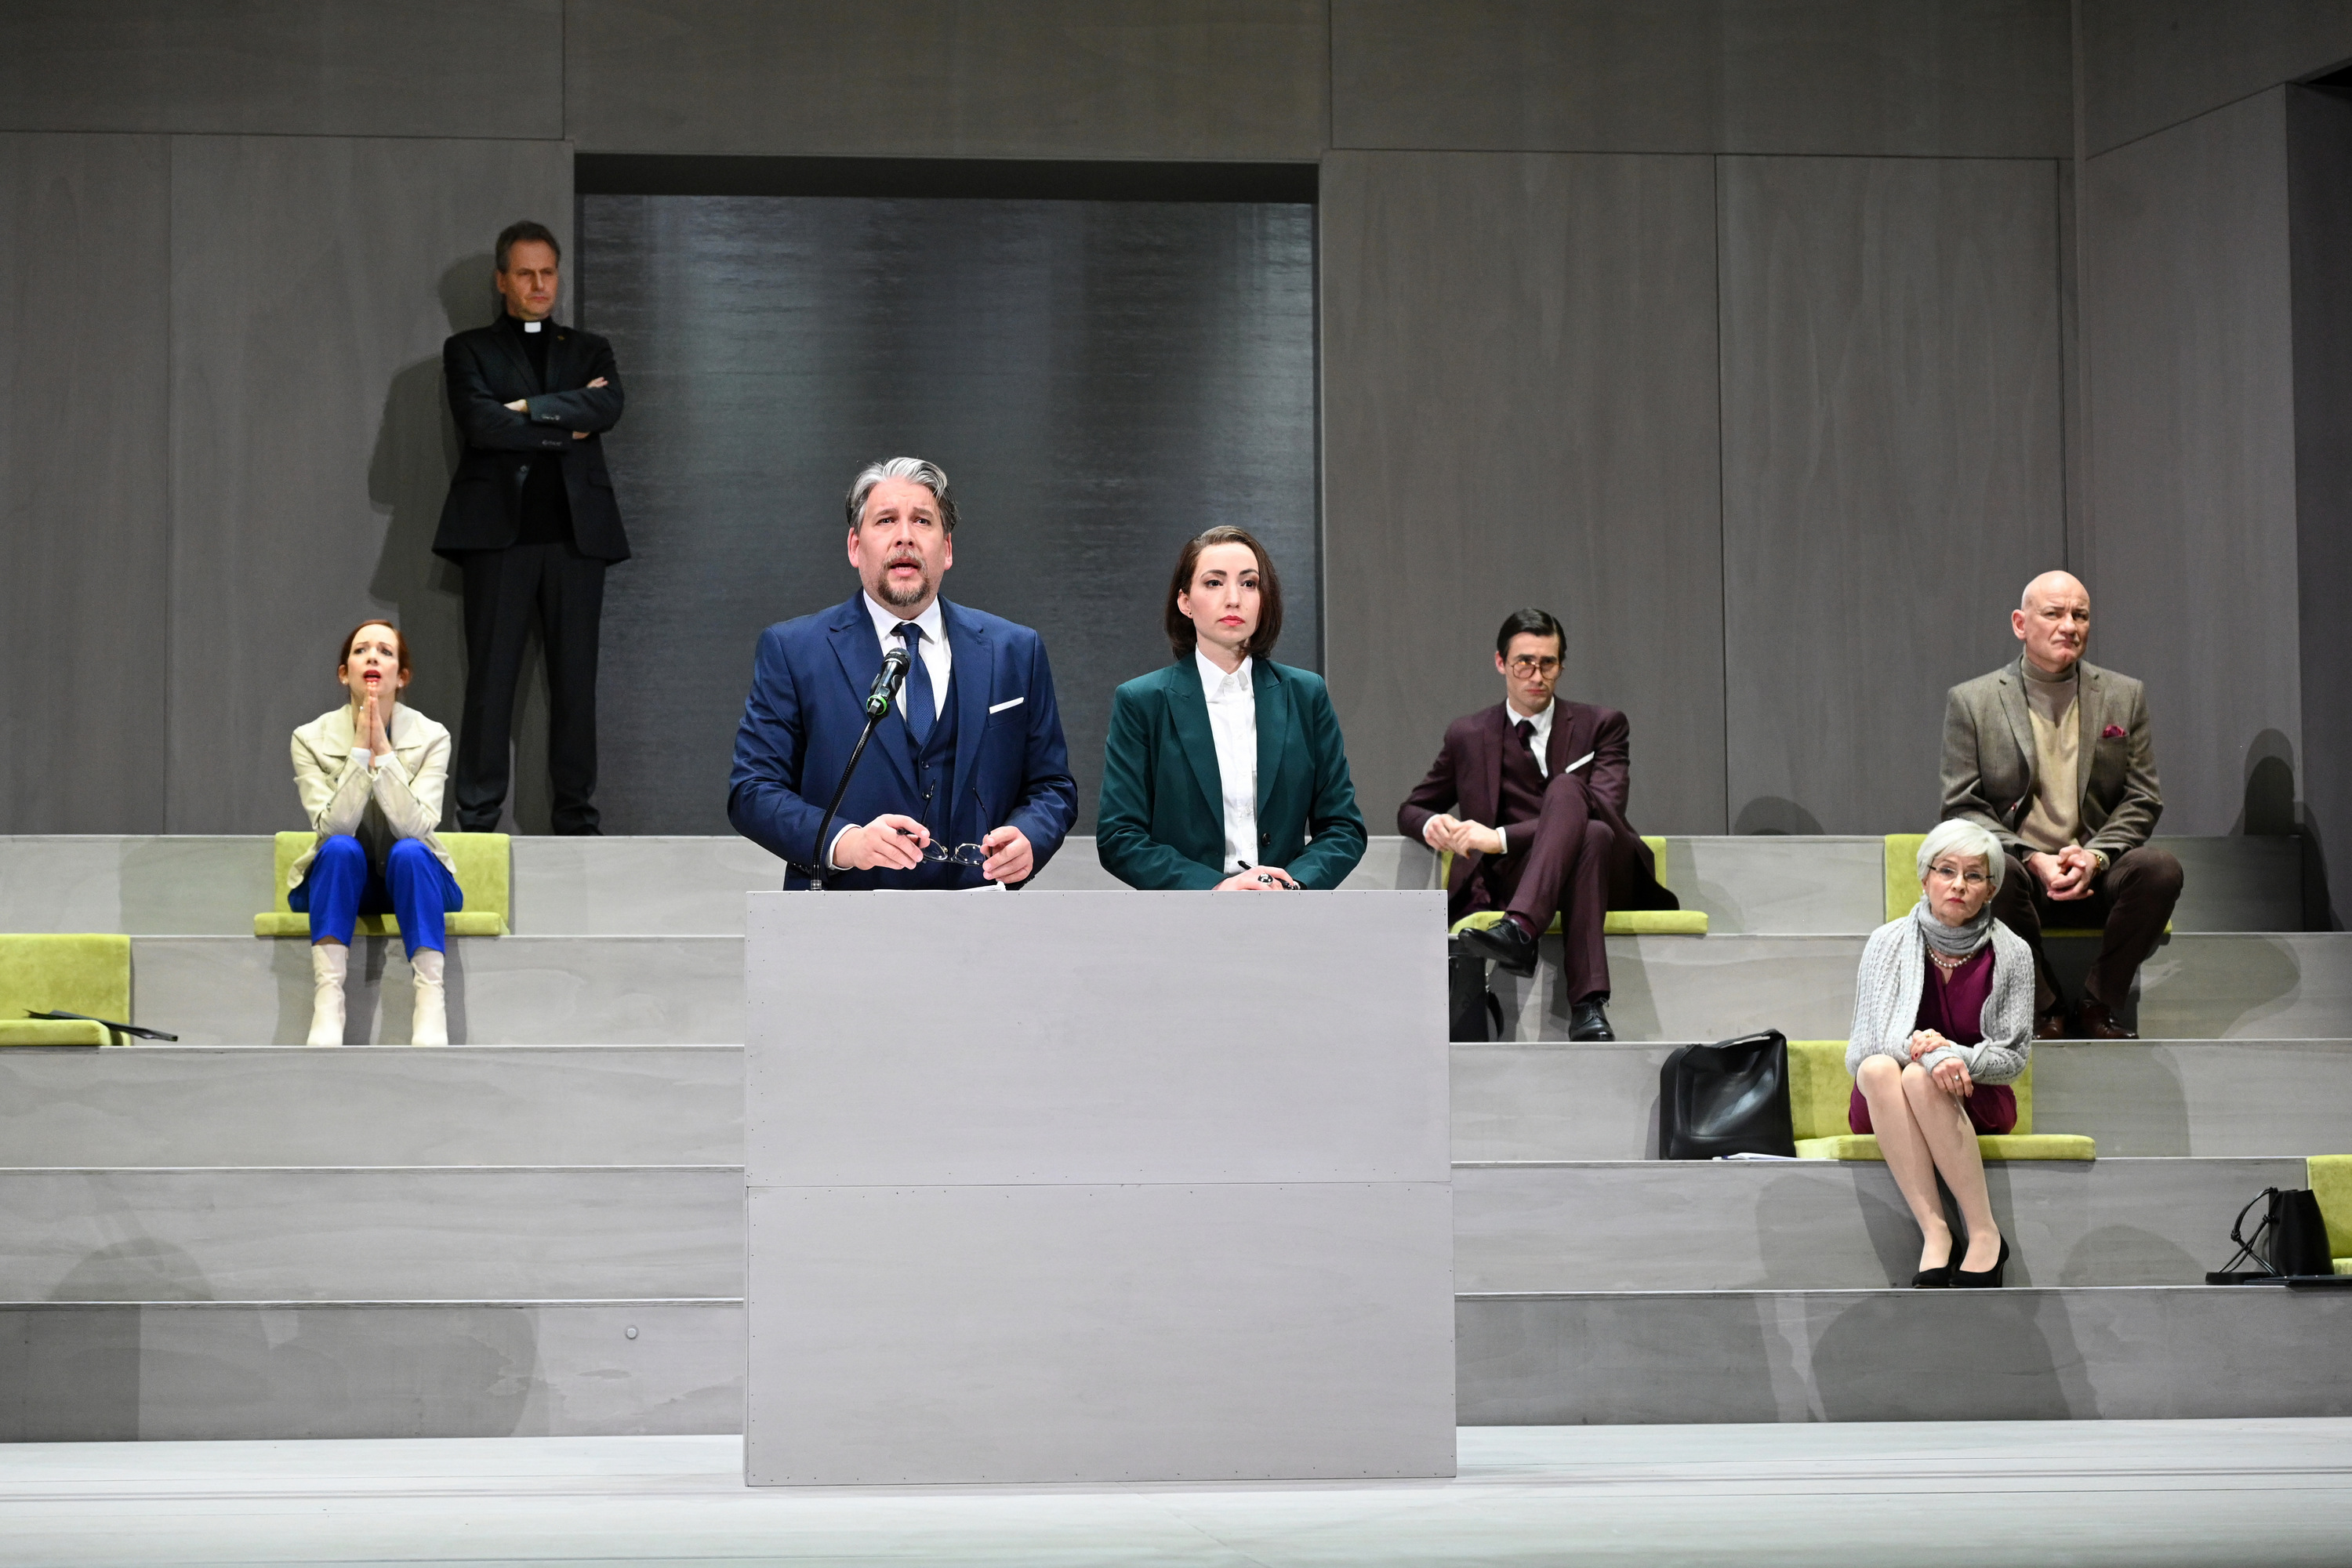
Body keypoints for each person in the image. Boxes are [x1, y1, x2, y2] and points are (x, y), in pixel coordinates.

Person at [728, 456, 1077, 888]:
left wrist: (1030, 837)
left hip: (980, 913)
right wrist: (845, 842)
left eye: (923, 521)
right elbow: (752, 790)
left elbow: (1052, 785)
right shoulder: (793, 651)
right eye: (886, 520)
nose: (905, 536)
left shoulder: (1016, 650)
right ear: (855, 546)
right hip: (844, 914)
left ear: (947, 549)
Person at [1397, 608, 1678, 1042]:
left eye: (1548, 663)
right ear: (1501, 663)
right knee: (1591, 836)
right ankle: (1588, 1007)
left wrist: (1499, 837)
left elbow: (1606, 806)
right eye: (1524, 663)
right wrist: (1434, 822)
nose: (1537, 675)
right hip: (1519, 877)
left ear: (1561, 666)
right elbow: (1412, 808)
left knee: (1577, 802)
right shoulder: (1468, 734)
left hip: (1612, 874)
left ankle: (1521, 930)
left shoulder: (1603, 725)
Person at [434, 219, 628, 836]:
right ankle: (477, 822)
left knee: (576, 688)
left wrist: (524, 409)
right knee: (490, 685)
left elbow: (608, 406)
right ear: (502, 280)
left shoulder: (589, 348)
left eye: (548, 272)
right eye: (526, 273)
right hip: (497, 537)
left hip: (578, 539)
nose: (540, 284)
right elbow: (481, 425)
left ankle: (576, 821)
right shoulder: (468, 350)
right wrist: (565, 424)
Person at [1941, 570, 2182, 1039]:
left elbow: (2143, 797)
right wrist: (2033, 858)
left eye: (2080, 615)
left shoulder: (2124, 695)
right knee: (1989, 872)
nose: (2069, 626)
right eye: (2053, 614)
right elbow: (1961, 805)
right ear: (2020, 623)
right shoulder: (1973, 701)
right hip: (2022, 879)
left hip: (2097, 873)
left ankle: (2098, 1004)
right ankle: (2044, 1005)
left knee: (2160, 870)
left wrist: (2095, 857)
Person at [1097, 527, 1367, 891]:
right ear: (1185, 602)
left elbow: (1343, 827)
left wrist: (1293, 885)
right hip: (1188, 912)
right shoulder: (1142, 701)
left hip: (1286, 909)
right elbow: (1119, 836)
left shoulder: (1306, 694)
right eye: (1214, 583)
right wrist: (1215, 888)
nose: (1234, 599)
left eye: (1249, 584)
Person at [1848, 820, 2033, 1288]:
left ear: (1991, 889)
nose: (1958, 885)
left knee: (1919, 1078)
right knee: (1880, 1068)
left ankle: (1984, 1233)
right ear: (1924, 877)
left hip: (1975, 1094)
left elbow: (2012, 1058)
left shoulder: (2013, 953)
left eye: (1974, 875)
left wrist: (1956, 1056)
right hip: (1888, 1101)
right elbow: (1864, 1048)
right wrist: (1933, 1057)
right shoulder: (1886, 943)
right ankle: (1935, 1231)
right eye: (1946, 871)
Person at [288, 621, 465, 1047]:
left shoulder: (432, 737)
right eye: (361, 650)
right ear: (344, 673)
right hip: (341, 882)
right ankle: (328, 1002)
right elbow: (333, 827)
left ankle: (430, 1000)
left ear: (401, 677)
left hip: (415, 880)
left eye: (385, 652)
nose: (372, 657)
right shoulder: (308, 739)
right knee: (340, 848)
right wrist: (358, 754)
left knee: (410, 851)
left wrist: (383, 755)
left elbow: (416, 827)